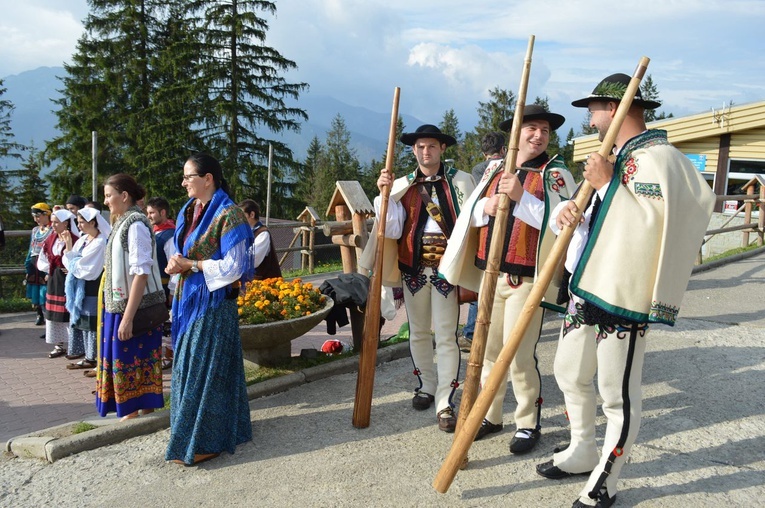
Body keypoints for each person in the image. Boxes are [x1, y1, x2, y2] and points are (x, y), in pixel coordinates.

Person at [534, 73, 716, 508]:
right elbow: (607, 219)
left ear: (614, 109)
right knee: (569, 372)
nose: (589, 115)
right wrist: (573, 211)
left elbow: (656, 227)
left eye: (593, 107)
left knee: (617, 393)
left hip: (623, 295)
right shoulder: (613, 155)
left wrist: (605, 184)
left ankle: (607, 480)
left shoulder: (659, 158)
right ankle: (582, 449)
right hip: (587, 287)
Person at [442, 106, 575, 453]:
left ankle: (528, 422)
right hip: (492, 275)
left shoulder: (555, 173)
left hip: (526, 279)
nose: (538, 136)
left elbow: (562, 226)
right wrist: (482, 210)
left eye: (544, 130)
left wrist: (521, 197)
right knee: (488, 350)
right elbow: (469, 212)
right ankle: (492, 414)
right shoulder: (495, 169)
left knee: (518, 355)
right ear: (516, 133)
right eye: (531, 128)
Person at [359, 124, 475, 432]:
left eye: (432, 146)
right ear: (414, 150)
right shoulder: (402, 185)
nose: (427, 151)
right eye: (421, 147)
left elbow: (475, 220)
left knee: (448, 335)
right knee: (419, 333)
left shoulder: (461, 182)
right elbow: (392, 228)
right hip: (413, 268)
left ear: (442, 149)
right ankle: (426, 385)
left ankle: (445, 400)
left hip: (447, 271)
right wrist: (383, 195)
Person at [165, 152, 255, 466]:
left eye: (188, 176)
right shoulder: (189, 212)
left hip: (215, 305)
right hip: (190, 300)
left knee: (205, 374)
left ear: (208, 178)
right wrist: (177, 263)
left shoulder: (229, 215)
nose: (183, 182)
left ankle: (204, 441)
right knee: (190, 370)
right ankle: (220, 430)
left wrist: (192, 264)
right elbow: (180, 249)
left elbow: (235, 267)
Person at [97, 174, 165, 421]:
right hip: (122, 307)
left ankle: (135, 414)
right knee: (131, 362)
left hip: (135, 310)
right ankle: (141, 413)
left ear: (124, 196)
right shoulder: (123, 222)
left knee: (133, 361)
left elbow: (141, 272)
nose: (106, 202)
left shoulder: (135, 225)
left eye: (108, 195)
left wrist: (127, 318)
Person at [460, 132, 510, 348]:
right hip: (503, 231)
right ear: (504, 150)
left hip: (481, 229)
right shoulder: (508, 169)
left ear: (484, 153)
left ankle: (471, 332)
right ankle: (486, 332)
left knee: (479, 285)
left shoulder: (477, 170)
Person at [61, 208, 110, 377]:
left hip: (93, 286)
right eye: (78, 222)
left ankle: (97, 359)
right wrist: (69, 248)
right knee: (83, 321)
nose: (79, 225)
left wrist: (72, 262)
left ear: (92, 222)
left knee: (93, 323)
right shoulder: (83, 240)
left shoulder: (100, 242)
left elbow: (88, 269)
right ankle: (89, 356)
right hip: (81, 286)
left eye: (82, 222)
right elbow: (72, 262)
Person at [38, 209, 80, 359]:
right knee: (55, 313)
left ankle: (74, 345)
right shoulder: (50, 239)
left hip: (68, 279)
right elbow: (42, 259)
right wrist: (49, 269)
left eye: (56, 222)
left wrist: (70, 268)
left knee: (68, 311)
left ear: (66, 223)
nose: (53, 225)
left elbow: (78, 260)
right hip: (54, 279)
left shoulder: (75, 239)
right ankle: (59, 345)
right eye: (52, 222)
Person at [146, 196, 177, 370]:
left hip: (165, 285)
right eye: (148, 212)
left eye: (152, 213)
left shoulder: (170, 235)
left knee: (166, 321)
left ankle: (168, 355)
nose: (149, 216)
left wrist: (172, 290)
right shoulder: (155, 231)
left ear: (163, 212)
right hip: (154, 285)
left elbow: (173, 265)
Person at [238, 198, 282, 280]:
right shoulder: (245, 232)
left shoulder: (262, 233)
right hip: (251, 281)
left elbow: (253, 259)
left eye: (242, 215)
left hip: (265, 283)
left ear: (252, 214)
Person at [25, 203, 54, 326]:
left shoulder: (53, 229)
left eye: (38, 216)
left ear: (46, 214)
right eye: (34, 216)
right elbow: (31, 248)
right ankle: (39, 314)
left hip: (45, 264)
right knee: (35, 291)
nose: (36, 219)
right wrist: (27, 264)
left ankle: (49, 320)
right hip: (33, 265)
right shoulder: (35, 230)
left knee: (44, 292)